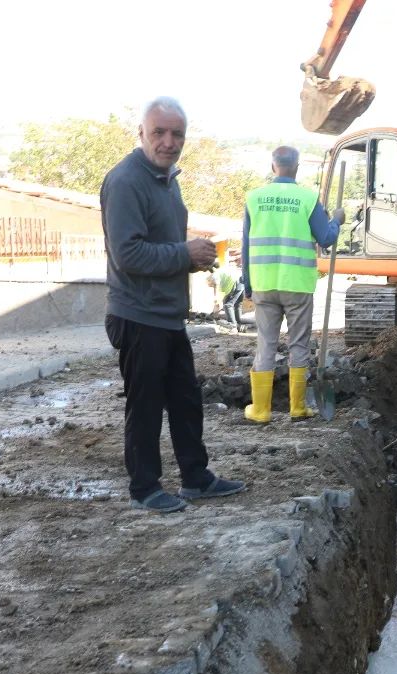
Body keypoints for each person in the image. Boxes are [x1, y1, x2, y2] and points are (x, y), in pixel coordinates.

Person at [101, 96, 246, 514]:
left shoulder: (167, 178)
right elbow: (128, 254)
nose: (168, 141)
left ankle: (196, 478)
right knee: (145, 405)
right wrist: (185, 255)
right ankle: (144, 487)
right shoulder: (126, 181)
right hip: (136, 314)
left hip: (165, 314)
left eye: (176, 133)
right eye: (159, 132)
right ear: (141, 134)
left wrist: (193, 258)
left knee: (185, 399)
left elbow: (159, 247)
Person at [241, 146, 344, 423]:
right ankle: (297, 407)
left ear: (273, 166)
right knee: (298, 344)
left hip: (264, 283)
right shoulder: (307, 199)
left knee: (266, 345)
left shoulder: (255, 198)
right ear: (296, 167)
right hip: (297, 284)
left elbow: (246, 245)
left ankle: (261, 410)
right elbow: (325, 237)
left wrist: (248, 284)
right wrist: (337, 220)